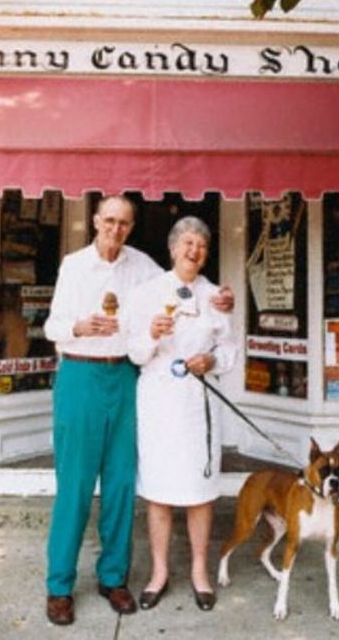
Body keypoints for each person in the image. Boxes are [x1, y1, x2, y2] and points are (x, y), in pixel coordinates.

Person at [42, 196, 232, 627]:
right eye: (109, 220)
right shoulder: (74, 265)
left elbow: (183, 283)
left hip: (126, 379)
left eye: (124, 223)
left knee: (121, 483)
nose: (116, 229)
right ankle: (59, 586)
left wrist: (222, 299)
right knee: (74, 484)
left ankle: (113, 578)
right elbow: (51, 326)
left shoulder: (143, 266)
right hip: (80, 374)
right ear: (95, 221)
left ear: (131, 227)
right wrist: (79, 327)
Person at [126, 216, 238, 613]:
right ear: (173, 248)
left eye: (202, 246)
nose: (194, 251)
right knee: (159, 490)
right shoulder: (146, 294)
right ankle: (158, 573)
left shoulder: (214, 296)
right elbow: (135, 353)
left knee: (199, 492)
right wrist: (152, 335)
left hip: (196, 404)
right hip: (158, 402)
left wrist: (211, 358)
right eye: (187, 243)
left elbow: (229, 350)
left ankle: (199, 572)